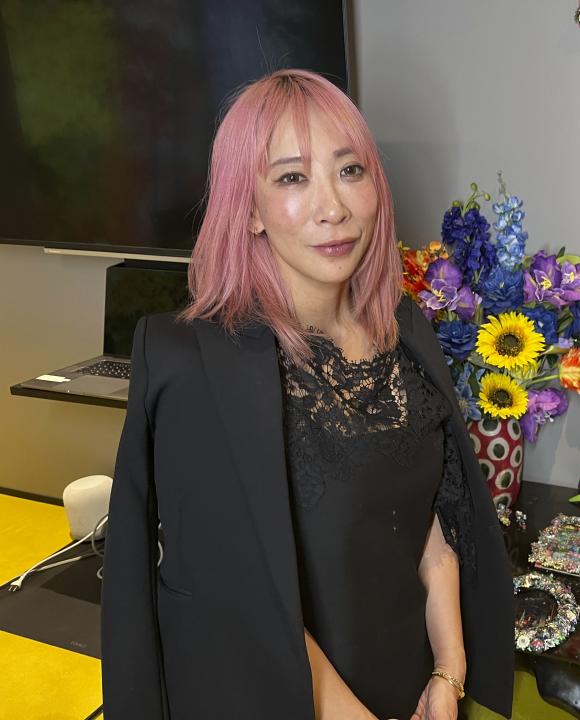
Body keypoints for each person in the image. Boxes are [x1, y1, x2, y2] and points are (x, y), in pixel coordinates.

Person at [100, 68, 515, 720]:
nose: (334, 207)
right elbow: (235, 597)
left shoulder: (405, 331)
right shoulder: (194, 365)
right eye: (293, 178)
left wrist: (448, 671)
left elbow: (432, 529)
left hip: (410, 687)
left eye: (350, 171)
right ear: (249, 209)